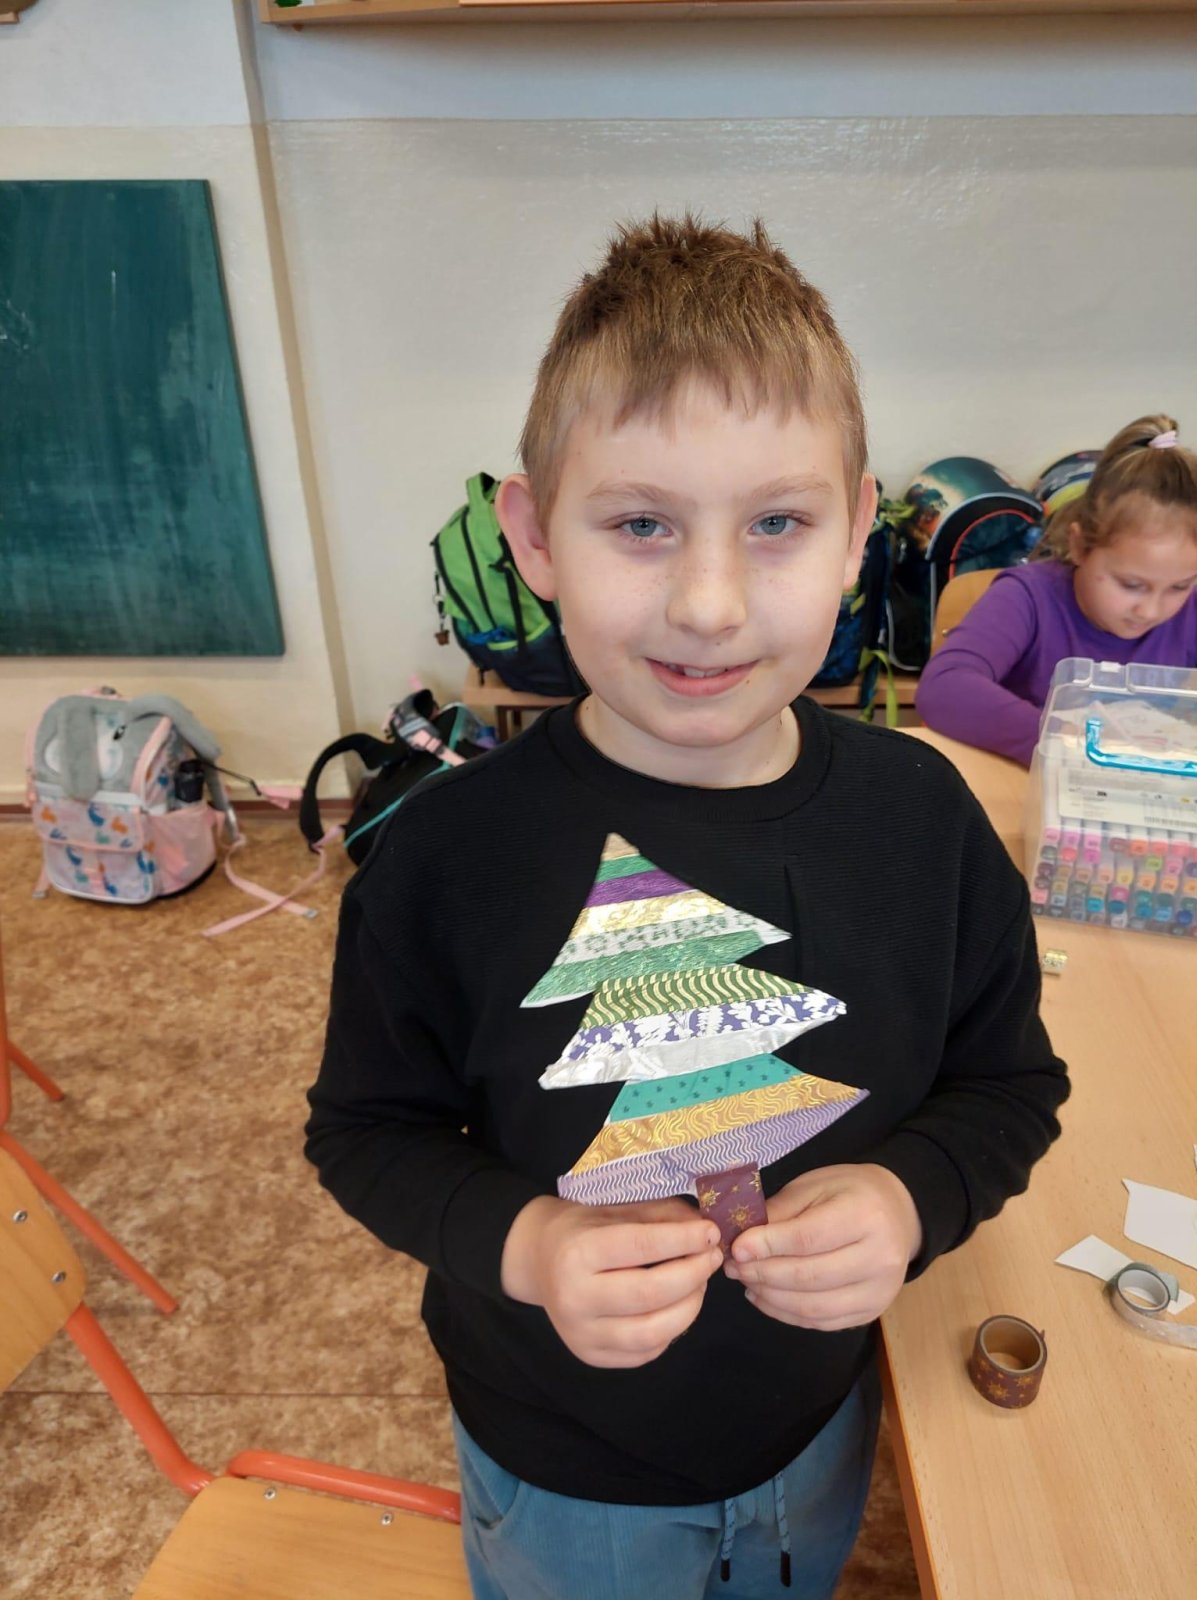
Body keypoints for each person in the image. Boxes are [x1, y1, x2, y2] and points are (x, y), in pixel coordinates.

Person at [305, 216, 1069, 1600]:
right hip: (560, 1470)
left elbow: (1009, 1086)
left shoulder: (927, 821)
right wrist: (531, 1246)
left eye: (777, 523)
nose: (710, 604)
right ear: (534, 535)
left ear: (858, 535)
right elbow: (367, 1133)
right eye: (641, 524)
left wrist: (908, 1198)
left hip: (819, 1424)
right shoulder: (445, 861)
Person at [916, 416, 1197, 765]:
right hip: (1031, 783)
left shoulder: (1193, 612)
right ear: (1079, 546)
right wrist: (1068, 739)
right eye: (1131, 585)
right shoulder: (1027, 598)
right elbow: (944, 688)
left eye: (1180, 586)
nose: (1151, 610)